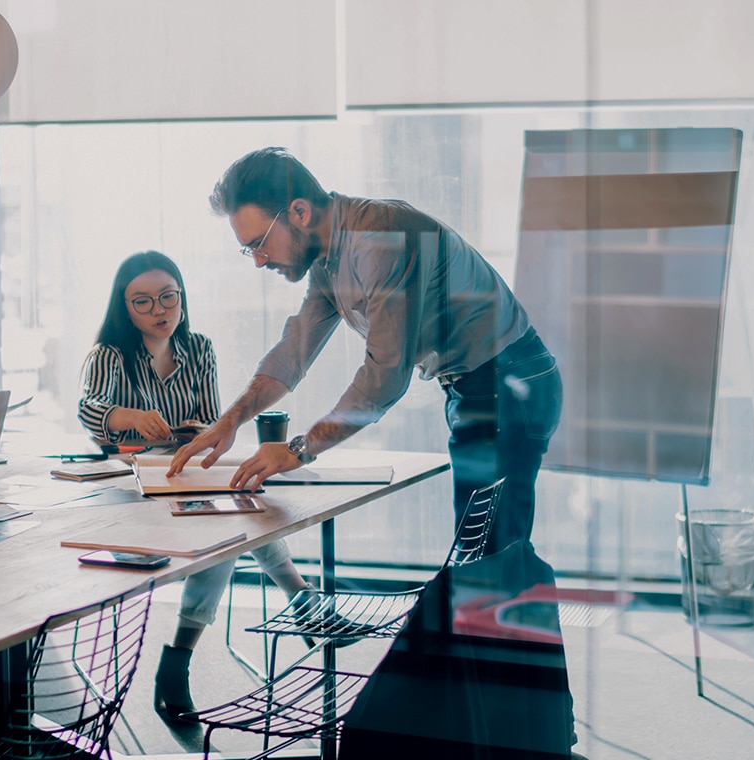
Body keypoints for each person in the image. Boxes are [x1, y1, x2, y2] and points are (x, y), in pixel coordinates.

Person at [170, 146, 563, 559]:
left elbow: (385, 377)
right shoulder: (325, 259)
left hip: (510, 383)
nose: (258, 261)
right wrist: (228, 421)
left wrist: (298, 450)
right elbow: (294, 350)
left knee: (491, 558)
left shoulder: (382, 239)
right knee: (485, 557)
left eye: (259, 244)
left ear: (300, 213)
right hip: (477, 386)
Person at [78, 250, 317, 722]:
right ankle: (302, 601)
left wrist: (197, 429)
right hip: (133, 483)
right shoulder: (109, 354)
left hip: (187, 473)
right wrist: (131, 418)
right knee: (229, 523)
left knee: (232, 520)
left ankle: (179, 662)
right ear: (124, 308)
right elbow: (89, 410)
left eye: (169, 297)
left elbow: (212, 418)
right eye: (142, 302)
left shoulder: (200, 348)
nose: (159, 310)